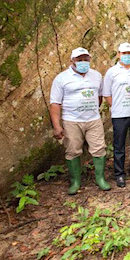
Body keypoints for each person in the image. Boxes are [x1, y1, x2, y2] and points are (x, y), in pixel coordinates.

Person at [50, 47, 111, 195]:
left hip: (93, 119)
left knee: (99, 148)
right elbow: (55, 103)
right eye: (79, 60)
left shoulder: (96, 76)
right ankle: (75, 182)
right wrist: (57, 126)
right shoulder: (61, 78)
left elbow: (99, 96)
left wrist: (91, 108)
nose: (83, 62)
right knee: (72, 150)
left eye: (86, 59)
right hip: (72, 121)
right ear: (72, 61)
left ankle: (100, 179)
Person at [102, 42, 130, 188]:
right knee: (119, 145)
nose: (127, 56)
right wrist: (117, 106)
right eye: (124, 53)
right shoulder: (112, 72)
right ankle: (119, 174)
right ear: (119, 54)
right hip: (119, 115)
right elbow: (107, 94)